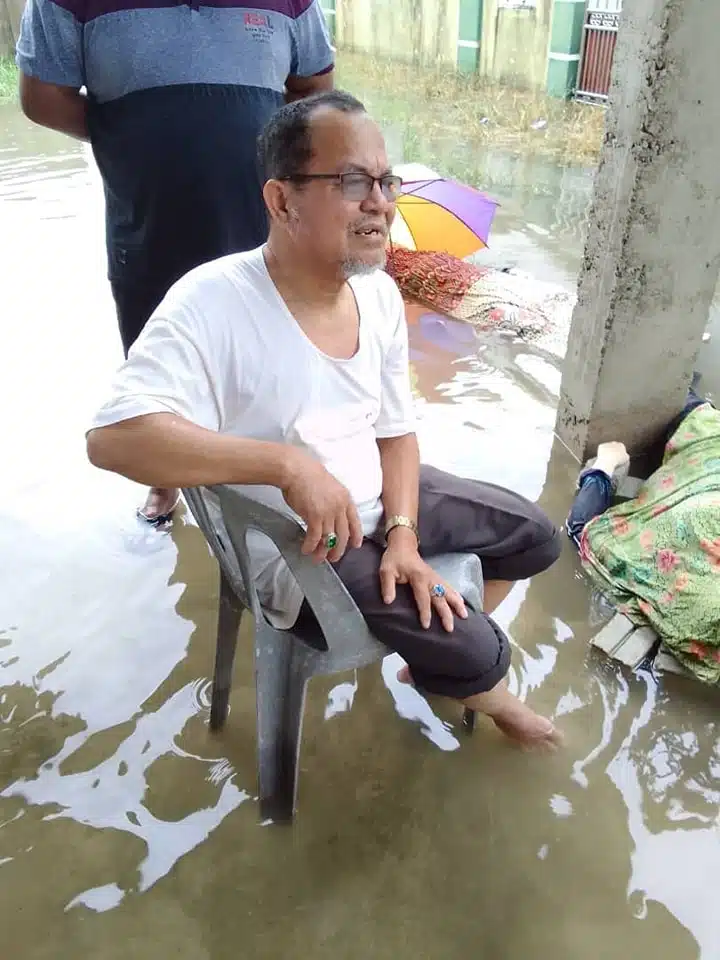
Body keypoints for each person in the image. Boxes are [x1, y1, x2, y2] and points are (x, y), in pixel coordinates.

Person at [86, 91, 564, 747]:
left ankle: (431, 660)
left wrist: (401, 536)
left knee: (537, 537)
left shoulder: (379, 294)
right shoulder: (213, 302)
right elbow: (113, 438)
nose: (380, 202)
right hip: (299, 549)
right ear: (282, 201)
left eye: (385, 180)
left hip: (373, 501)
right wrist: (284, 467)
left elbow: (396, 433)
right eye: (351, 182)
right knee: (484, 657)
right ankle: (470, 675)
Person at [16, 0, 334, 523]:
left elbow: (314, 91)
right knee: (156, 348)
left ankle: (279, 480)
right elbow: (44, 98)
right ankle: (166, 482)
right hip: (149, 219)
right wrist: (134, 137)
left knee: (272, 345)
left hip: (263, 219)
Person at [567, 388, 720, 684]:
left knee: (694, 417)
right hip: (696, 500)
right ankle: (606, 463)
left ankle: (686, 390)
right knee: (587, 535)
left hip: (706, 442)